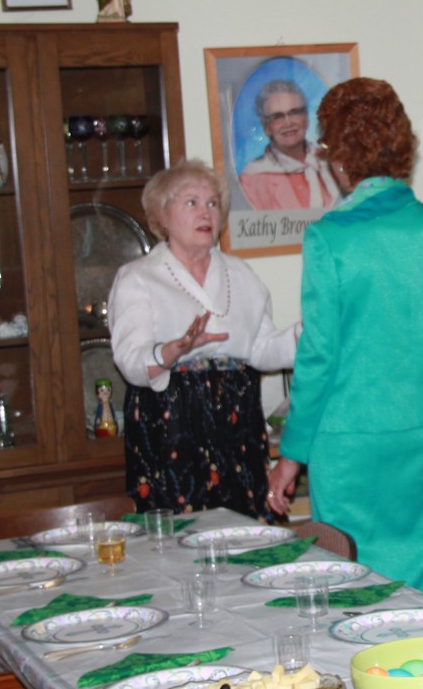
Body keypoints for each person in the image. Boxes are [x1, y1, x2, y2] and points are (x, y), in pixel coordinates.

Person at [267, 77, 423, 608]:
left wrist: (291, 453)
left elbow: (318, 356)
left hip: (349, 440)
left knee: (355, 578)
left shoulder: (330, 237)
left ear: (338, 160)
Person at [108, 161, 298, 518]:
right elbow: (131, 363)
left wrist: (309, 335)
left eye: (212, 203)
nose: (206, 212)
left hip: (237, 424)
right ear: (162, 216)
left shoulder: (241, 274)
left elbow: (261, 349)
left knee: (244, 529)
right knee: (178, 535)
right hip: (171, 427)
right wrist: (171, 351)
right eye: (191, 202)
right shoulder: (138, 278)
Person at [239, 79, 341, 211]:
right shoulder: (252, 179)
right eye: (277, 117)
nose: (288, 123)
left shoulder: (332, 163)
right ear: (266, 127)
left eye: (294, 113)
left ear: (306, 118)